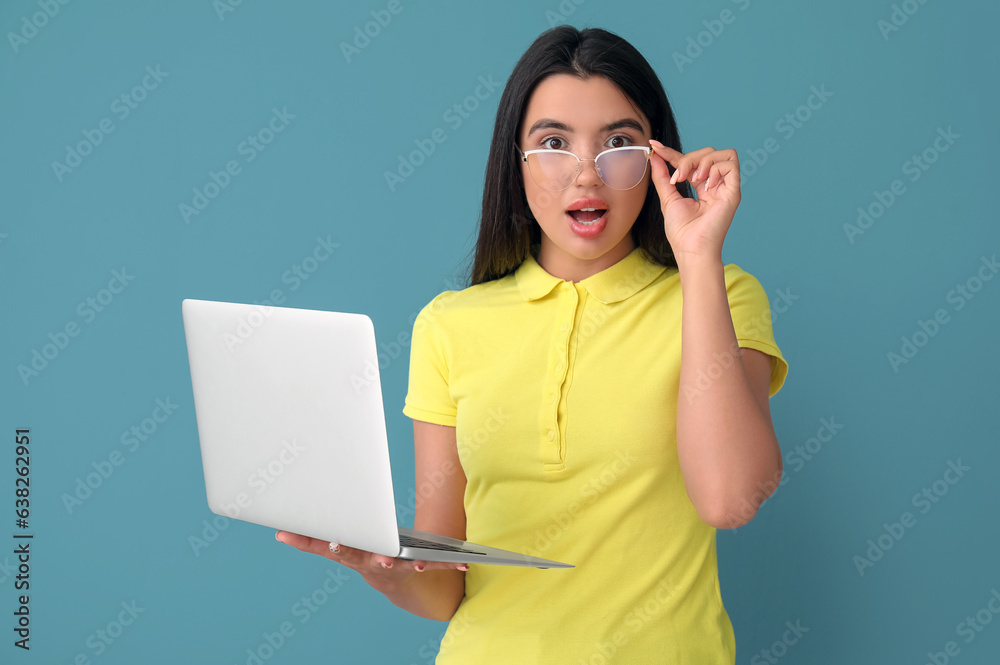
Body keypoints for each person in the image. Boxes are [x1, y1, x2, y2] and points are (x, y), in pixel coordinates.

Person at [276, 25, 789, 663]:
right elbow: (444, 589)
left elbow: (730, 497)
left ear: (660, 161)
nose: (586, 177)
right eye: (552, 143)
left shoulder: (722, 294)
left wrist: (697, 256)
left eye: (619, 144)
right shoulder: (448, 325)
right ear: (514, 163)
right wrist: (376, 565)